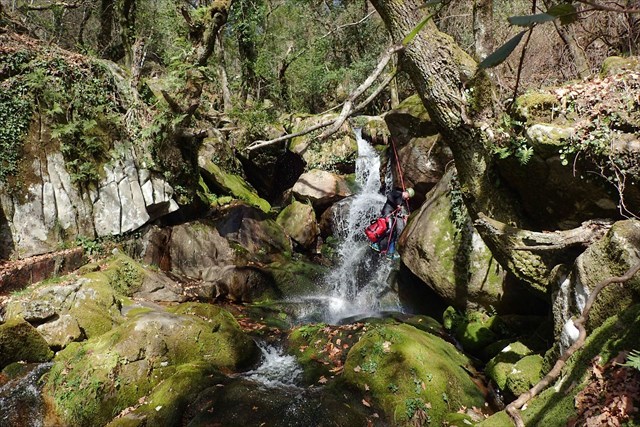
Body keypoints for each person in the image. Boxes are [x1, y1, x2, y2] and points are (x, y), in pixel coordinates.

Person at [370, 187, 414, 260]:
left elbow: (400, 209)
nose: (408, 198)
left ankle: (390, 253)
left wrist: (405, 215)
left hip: (391, 214)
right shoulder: (398, 193)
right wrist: (396, 204)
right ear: (406, 193)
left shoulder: (402, 200)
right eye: (408, 196)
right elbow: (389, 196)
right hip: (387, 212)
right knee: (390, 230)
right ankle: (375, 243)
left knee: (393, 234)